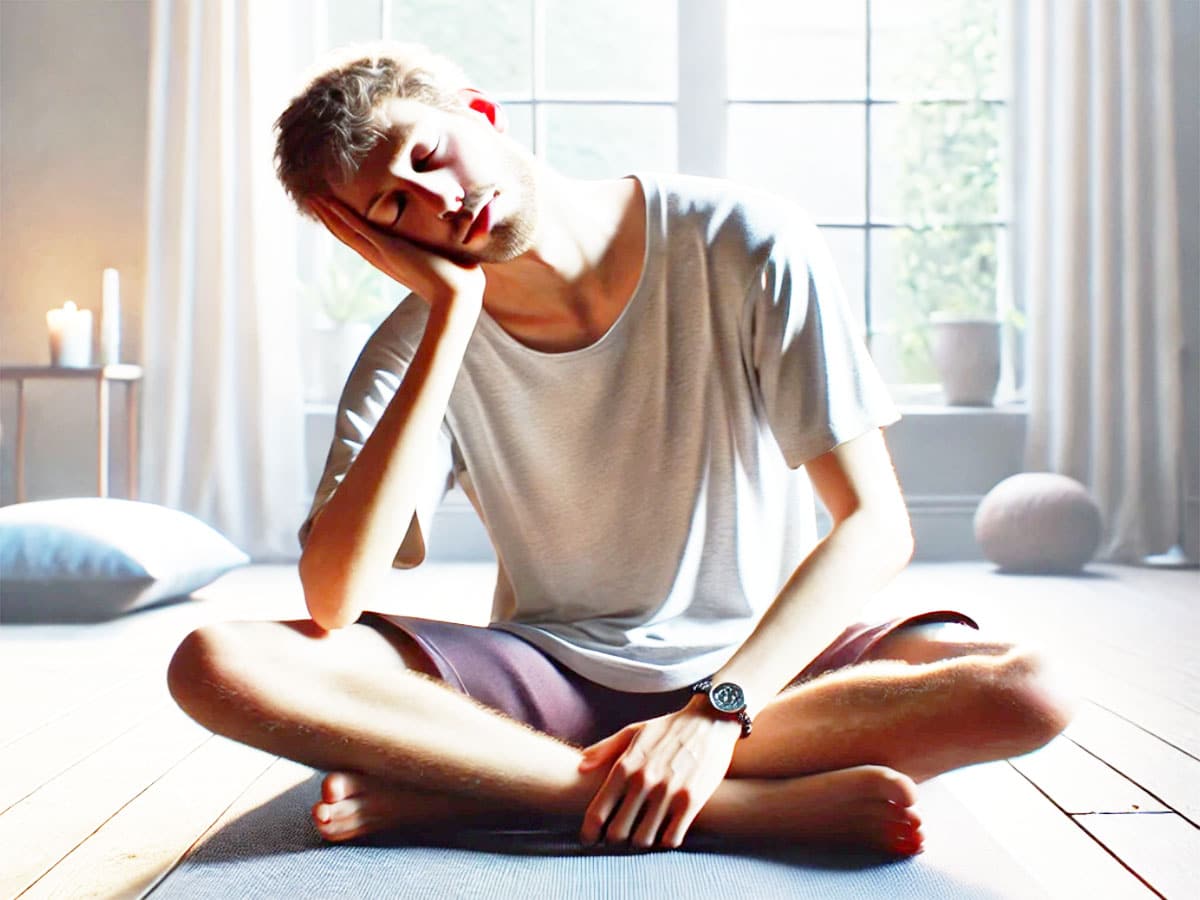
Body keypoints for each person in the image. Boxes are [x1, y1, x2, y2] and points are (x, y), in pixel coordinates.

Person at [166, 42, 1075, 855]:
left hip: (770, 675)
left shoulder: (745, 241)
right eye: (395, 205)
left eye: (429, 155)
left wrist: (717, 714)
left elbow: (876, 526)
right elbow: (335, 597)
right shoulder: (413, 348)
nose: (440, 200)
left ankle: (480, 789)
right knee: (217, 663)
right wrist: (449, 316)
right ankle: (725, 809)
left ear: (478, 112)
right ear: (374, 241)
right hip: (552, 674)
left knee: (1031, 688)